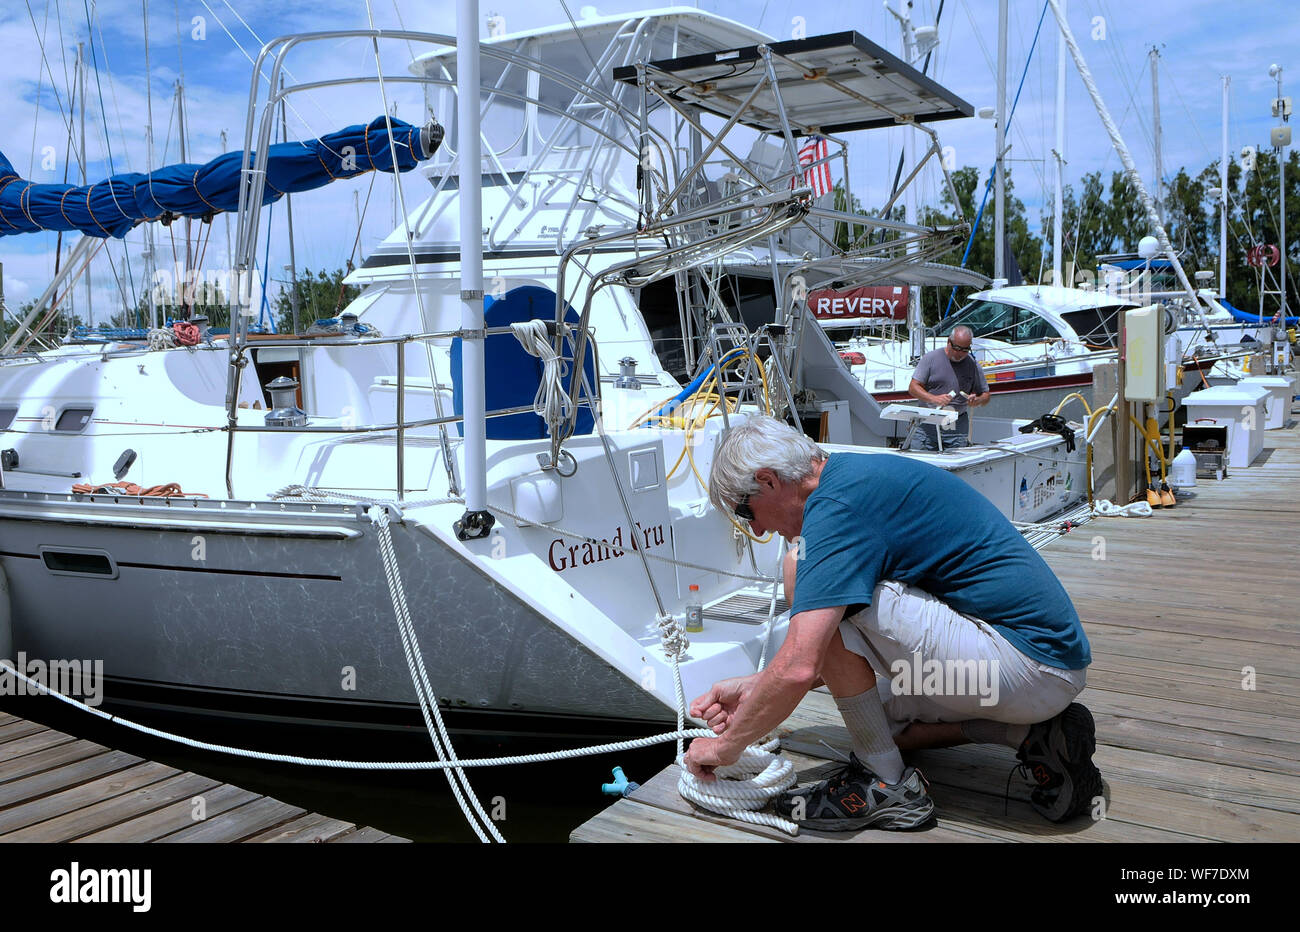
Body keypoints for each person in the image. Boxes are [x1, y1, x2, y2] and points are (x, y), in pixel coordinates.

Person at [683, 416, 1100, 830]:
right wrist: (758, 687)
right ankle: (1030, 733)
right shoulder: (850, 477)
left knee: (804, 572)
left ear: (769, 480)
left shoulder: (833, 511)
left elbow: (801, 664)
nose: (755, 526)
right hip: (1044, 669)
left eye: (744, 509)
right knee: (875, 723)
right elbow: (818, 662)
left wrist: (724, 748)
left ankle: (884, 783)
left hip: (1025, 664)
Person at [907, 325, 991, 450]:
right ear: (949, 342)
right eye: (956, 348)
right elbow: (913, 388)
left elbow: (986, 395)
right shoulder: (931, 358)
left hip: (956, 429)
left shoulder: (972, 365)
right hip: (927, 426)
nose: (960, 354)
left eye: (965, 350)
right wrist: (934, 399)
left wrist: (977, 400)